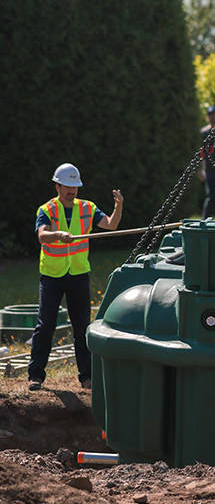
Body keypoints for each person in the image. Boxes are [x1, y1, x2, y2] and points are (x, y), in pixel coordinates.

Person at [28, 163, 123, 391]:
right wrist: (58, 234)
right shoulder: (47, 210)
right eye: (68, 186)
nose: (72, 191)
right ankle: (36, 376)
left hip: (79, 274)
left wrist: (118, 207)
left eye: (75, 187)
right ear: (58, 186)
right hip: (52, 275)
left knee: (82, 326)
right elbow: (42, 236)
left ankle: (86, 377)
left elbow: (111, 225)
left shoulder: (87, 208)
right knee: (46, 325)